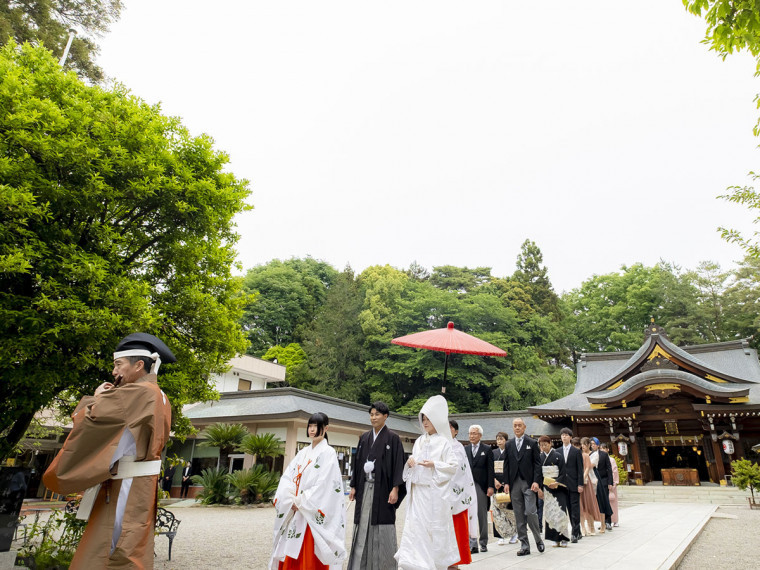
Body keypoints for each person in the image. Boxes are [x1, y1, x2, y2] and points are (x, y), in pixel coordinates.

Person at [43, 332, 175, 569]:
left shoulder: (137, 392)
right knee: (131, 544)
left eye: (118, 364)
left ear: (139, 365)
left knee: (112, 549)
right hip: (142, 482)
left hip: (126, 481)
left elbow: (92, 422)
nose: (114, 372)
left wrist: (95, 399)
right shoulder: (160, 395)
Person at [269, 412, 346, 569]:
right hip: (296, 507)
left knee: (309, 548)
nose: (312, 430)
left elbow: (325, 484)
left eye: (316, 426)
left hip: (311, 510)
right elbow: (289, 476)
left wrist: (302, 501)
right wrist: (288, 498)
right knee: (291, 544)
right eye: (310, 426)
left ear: (325, 428)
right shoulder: (303, 452)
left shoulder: (329, 453)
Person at [395, 395, 459, 570]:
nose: (425, 422)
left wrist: (434, 464)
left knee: (432, 528)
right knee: (415, 527)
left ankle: (431, 562)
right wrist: (410, 464)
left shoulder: (444, 442)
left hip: (433, 494)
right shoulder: (419, 441)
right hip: (417, 492)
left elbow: (453, 466)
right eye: (423, 418)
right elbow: (413, 463)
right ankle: (412, 562)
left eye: (428, 418)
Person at [348, 401, 407, 570]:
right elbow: (357, 462)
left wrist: (395, 488)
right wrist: (353, 486)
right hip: (365, 486)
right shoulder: (365, 437)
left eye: (377, 414)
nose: (373, 417)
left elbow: (398, 465)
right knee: (362, 524)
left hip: (383, 490)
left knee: (382, 524)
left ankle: (384, 566)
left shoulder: (393, 438)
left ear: (385, 417)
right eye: (372, 414)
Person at [502, 418, 544, 556]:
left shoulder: (531, 443)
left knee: (531, 511)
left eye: (520, 425)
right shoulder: (509, 444)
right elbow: (506, 464)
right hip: (514, 483)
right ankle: (524, 545)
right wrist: (506, 482)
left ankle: (538, 539)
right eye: (515, 426)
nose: (517, 428)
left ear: (524, 427)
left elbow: (538, 464)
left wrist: (537, 481)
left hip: (529, 483)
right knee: (519, 514)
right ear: (513, 428)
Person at [448, 419, 478, 569]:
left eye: (450, 428)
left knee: (458, 530)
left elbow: (460, 470)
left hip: (457, 494)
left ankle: (456, 563)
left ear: (456, 431)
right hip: (443, 494)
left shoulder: (458, 446)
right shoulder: (440, 444)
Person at [465, 424, 494, 553]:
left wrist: (490, 486)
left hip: (481, 485)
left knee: (482, 514)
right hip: (467, 485)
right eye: (470, 433)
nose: (472, 436)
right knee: (469, 515)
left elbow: (490, 470)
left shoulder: (487, 449)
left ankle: (483, 542)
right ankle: (473, 544)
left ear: (480, 435)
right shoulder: (465, 449)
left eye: (474, 433)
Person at [537, 436, 570, 548]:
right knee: (550, 512)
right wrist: (539, 489)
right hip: (546, 488)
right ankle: (554, 538)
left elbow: (563, 472)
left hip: (558, 487)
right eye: (541, 445)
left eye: (545, 444)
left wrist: (557, 482)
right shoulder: (539, 457)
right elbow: (538, 474)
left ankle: (563, 537)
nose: (543, 447)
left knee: (560, 511)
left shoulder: (558, 456)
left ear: (550, 443)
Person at [492, 431, 517, 546]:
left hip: (507, 485)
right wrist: (494, 481)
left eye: (501, 439)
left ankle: (514, 534)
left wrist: (507, 482)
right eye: (497, 439)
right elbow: (489, 469)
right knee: (497, 512)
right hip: (496, 484)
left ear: (506, 440)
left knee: (510, 510)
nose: (499, 441)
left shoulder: (511, 452)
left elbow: (512, 469)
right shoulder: (493, 453)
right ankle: (499, 535)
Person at [559, 428, 584, 543]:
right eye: (562, 435)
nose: (564, 437)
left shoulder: (576, 451)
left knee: (574, 509)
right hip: (562, 485)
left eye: (566, 435)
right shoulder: (557, 451)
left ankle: (574, 533)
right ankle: (577, 531)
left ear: (570, 437)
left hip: (574, 484)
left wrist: (580, 484)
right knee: (567, 508)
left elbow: (580, 469)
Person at [579, 437, 603, 536]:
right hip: (581, 481)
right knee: (583, 505)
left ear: (588, 444)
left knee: (590, 503)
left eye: (585, 444)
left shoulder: (594, 454)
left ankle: (592, 526)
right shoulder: (579, 455)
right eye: (582, 444)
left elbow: (590, 466)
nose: (583, 446)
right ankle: (586, 527)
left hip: (590, 480)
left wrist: (582, 476)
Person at [589, 437, 613, 531]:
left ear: (598, 445)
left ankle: (608, 522)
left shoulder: (603, 454)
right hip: (593, 480)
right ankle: (601, 521)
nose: (592, 446)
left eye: (594, 444)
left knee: (605, 500)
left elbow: (609, 468)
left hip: (603, 480)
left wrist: (610, 482)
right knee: (597, 502)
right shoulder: (589, 455)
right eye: (591, 444)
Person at [600, 443, 620, 527]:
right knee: (604, 503)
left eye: (604, 448)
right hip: (603, 483)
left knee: (612, 502)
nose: (603, 450)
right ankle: (605, 521)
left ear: (608, 449)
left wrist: (613, 482)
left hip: (611, 483)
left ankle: (615, 520)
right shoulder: (599, 458)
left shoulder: (611, 459)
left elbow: (614, 471)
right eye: (601, 448)